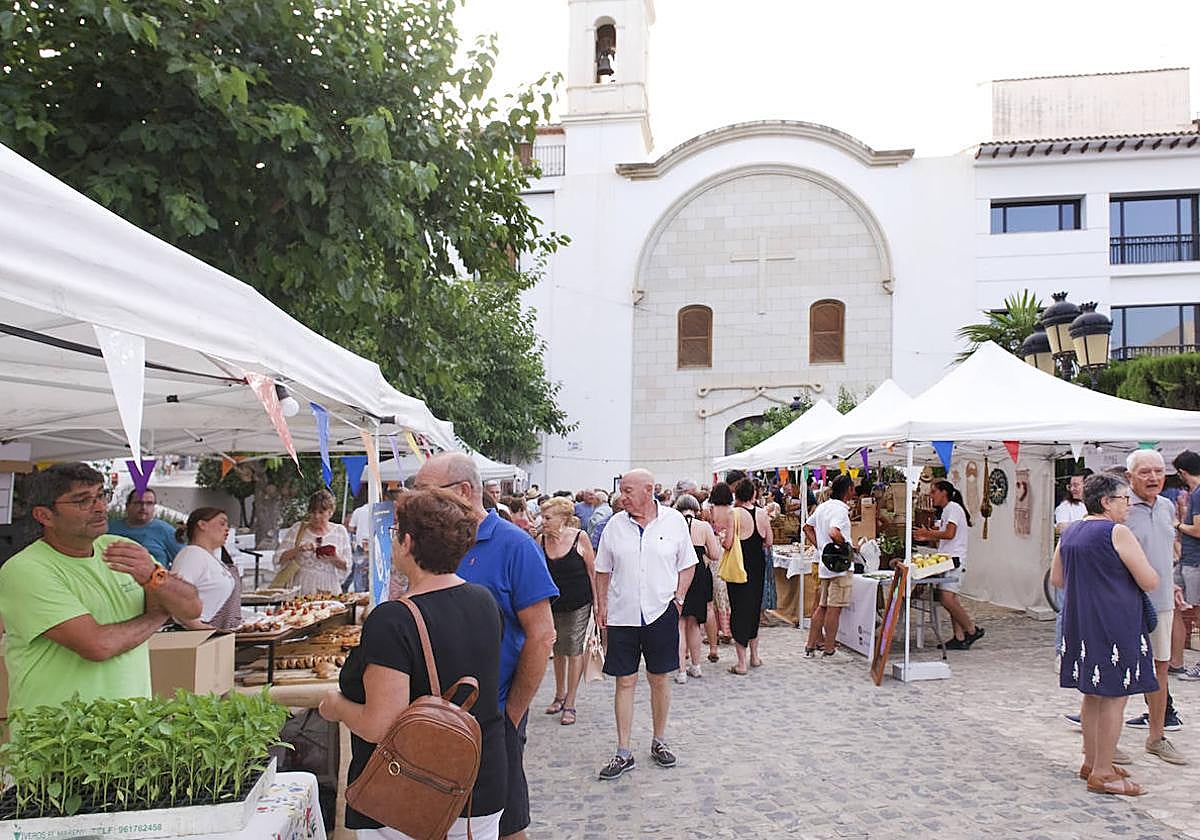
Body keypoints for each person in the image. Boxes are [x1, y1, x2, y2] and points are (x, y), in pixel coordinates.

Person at [320, 490, 507, 840]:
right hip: (478, 783)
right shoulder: (485, 601)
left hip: (411, 793)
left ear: (407, 543)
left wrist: (336, 707)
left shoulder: (393, 620)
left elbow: (380, 725)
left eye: (394, 534)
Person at [413, 453, 557, 840]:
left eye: (425, 492)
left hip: (492, 717)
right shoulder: (434, 545)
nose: (417, 501)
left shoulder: (515, 546)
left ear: (463, 492)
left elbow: (542, 635)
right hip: (436, 715)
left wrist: (511, 714)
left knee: (505, 825)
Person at [0, 464, 200, 712]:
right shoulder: (26, 570)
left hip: (129, 731)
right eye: (83, 501)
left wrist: (156, 577)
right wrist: (158, 615)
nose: (100, 507)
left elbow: (191, 608)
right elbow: (97, 645)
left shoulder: (120, 547)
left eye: (101, 496)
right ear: (44, 516)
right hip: (56, 738)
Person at [1053, 473, 1159, 796]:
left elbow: (1058, 578)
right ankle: (1101, 771)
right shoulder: (1117, 532)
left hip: (1082, 621)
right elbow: (1149, 580)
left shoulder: (1070, 532)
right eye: (1124, 499)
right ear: (1106, 502)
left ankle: (1091, 761)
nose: (1128, 506)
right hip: (1115, 622)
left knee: (1093, 693)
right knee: (1115, 696)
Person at [595, 469, 696, 780]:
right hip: (623, 614)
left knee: (659, 679)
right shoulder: (614, 525)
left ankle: (659, 740)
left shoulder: (674, 522)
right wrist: (601, 605)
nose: (621, 496)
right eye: (621, 490)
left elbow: (687, 563)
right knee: (624, 682)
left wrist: (678, 598)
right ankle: (623, 751)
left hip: (660, 611)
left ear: (648, 490)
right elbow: (602, 569)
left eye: (627, 490)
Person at [1122, 450, 1187, 764]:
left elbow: (1163, 549)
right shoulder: (1119, 510)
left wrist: (1172, 582)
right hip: (1125, 604)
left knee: (1160, 669)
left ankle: (1156, 737)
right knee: (1117, 667)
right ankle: (1104, 740)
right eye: (1145, 472)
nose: (1153, 478)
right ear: (1129, 476)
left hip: (1161, 602)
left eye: (1158, 471)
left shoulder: (1166, 506)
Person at [537, 497, 596, 726]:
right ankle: (559, 695)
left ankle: (570, 702)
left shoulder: (580, 537)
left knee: (573, 648)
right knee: (557, 648)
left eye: (548, 517)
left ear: (563, 518)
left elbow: (592, 572)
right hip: (552, 603)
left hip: (579, 602)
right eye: (543, 517)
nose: (544, 521)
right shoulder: (540, 539)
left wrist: (599, 604)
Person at [914, 480, 984, 650]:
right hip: (947, 560)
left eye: (933, 492)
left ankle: (971, 629)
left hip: (955, 560)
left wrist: (928, 533)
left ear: (943, 492)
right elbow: (944, 535)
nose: (931, 496)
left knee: (946, 599)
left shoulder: (953, 508)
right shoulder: (946, 511)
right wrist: (929, 536)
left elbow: (950, 534)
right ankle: (959, 637)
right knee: (951, 598)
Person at [720, 478, 772, 674]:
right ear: (754, 494)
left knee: (739, 611)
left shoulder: (734, 513)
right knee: (753, 610)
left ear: (736, 495)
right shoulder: (762, 513)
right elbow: (768, 541)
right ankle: (755, 657)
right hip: (757, 566)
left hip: (739, 568)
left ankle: (741, 663)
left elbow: (728, 543)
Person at [804, 474, 855, 662]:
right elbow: (834, 532)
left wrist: (820, 547)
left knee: (822, 606)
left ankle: (810, 645)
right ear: (849, 490)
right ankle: (830, 649)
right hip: (839, 566)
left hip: (826, 564)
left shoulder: (823, 507)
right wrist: (844, 546)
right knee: (834, 608)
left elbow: (807, 527)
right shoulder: (840, 511)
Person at [673, 494, 721, 682]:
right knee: (694, 623)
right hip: (699, 574)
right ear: (696, 508)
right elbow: (715, 555)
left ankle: (681, 671)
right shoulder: (704, 526)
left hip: (678, 574)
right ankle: (696, 665)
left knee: (680, 623)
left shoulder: (674, 525)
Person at [172, 507, 243, 630]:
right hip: (196, 637)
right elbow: (175, 595)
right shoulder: (191, 554)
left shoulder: (212, 558)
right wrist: (199, 627)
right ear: (202, 525)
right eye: (222, 523)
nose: (227, 529)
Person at [275, 490, 352, 595]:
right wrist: (299, 550)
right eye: (313, 512)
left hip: (329, 588)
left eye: (321, 512)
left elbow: (347, 566)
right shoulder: (298, 529)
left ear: (330, 512)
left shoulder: (340, 531)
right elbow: (279, 558)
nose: (316, 516)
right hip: (300, 588)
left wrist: (334, 558)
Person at [107, 488, 182, 569]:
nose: (143, 507)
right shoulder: (110, 529)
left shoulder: (166, 531)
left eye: (149, 503)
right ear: (127, 506)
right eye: (138, 503)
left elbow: (185, 561)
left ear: (154, 507)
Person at [1174, 451, 1200, 681]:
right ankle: (1175, 659)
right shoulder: (1194, 493)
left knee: (1198, 613)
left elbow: (1199, 530)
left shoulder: (1199, 494)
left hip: (1195, 561)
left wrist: (1178, 524)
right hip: (1188, 560)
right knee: (1172, 603)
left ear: (1182, 472)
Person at [705, 481, 734, 648]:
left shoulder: (710, 511)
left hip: (714, 548)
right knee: (727, 590)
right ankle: (728, 630)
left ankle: (714, 630)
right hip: (727, 550)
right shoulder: (732, 512)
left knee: (716, 591)